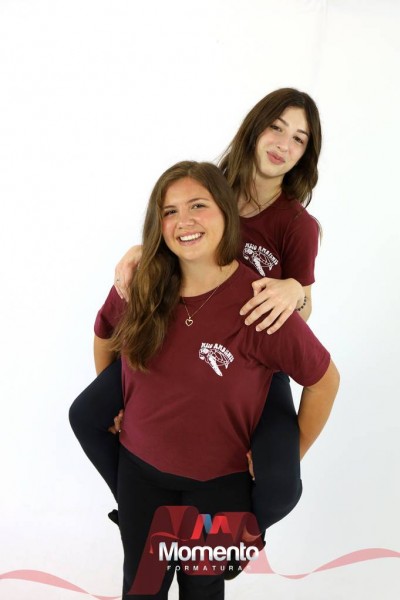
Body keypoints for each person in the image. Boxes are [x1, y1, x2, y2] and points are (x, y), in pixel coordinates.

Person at [70, 88, 324, 540]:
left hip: (249, 357)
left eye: (299, 139)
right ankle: (136, 508)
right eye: (276, 127)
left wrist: (294, 291)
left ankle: (234, 539)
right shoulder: (209, 183)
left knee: (281, 484)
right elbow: (171, 229)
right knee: (87, 415)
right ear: (255, 128)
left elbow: (302, 310)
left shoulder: (297, 225)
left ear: (306, 154)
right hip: (174, 334)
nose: (284, 144)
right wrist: (138, 250)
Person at [91, 160, 339, 599]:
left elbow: (324, 380)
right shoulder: (142, 281)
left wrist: (290, 452)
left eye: (198, 205)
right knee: (142, 588)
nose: (183, 220)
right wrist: (117, 401)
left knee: (202, 589)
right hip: (139, 475)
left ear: (226, 211)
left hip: (219, 489)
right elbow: (105, 333)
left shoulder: (259, 303)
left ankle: (240, 545)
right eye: (169, 211)